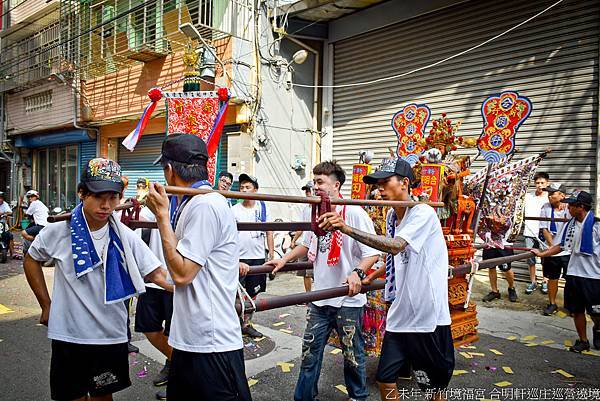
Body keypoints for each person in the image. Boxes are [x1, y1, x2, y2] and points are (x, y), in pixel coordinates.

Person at [23, 157, 170, 401]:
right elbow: (31, 259)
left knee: (103, 397)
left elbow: (156, 273)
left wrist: (190, 285)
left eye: (113, 198)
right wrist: (46, 304)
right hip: (68, 334)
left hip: (109, 336)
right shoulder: (59, 231)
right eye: (99, 197)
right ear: (82, 193)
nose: (106, 205)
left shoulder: (124, 236)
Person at [317, 157, 455, 401]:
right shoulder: (393, 216)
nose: (379, 190)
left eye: (384, 183)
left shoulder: (422, 213)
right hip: (401, 315)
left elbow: (396, 247)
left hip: (426, 316)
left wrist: (346, 228)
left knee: (431, 386)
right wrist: (371, 275)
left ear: (404, 183)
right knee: (385, 377)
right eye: (377, 185)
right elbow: (395, 260)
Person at [145, 134, 252, 401]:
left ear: (169, 170)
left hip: (212, 343)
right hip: (189, 340)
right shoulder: (195, 202)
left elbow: (183, 273)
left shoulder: (205, 204)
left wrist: (161, 216)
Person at [267, 160, 379, 401]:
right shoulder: (313, 210)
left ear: (336, 185)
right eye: (314, 181)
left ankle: (358, 397)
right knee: (309, 353)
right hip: (321, 298)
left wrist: (357, 273)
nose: (315, 187)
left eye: (321, 182)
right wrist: (283, 259)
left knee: (352, 356)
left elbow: (372, 252)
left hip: (348, 300)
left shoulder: (355, 212)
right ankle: (304, 398)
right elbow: (307, 243)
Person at [532, 190, 600, 352]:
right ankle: (583, 340)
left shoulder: (597, 226)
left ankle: (598, 329)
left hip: (594, 276)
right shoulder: (570, 225)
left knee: (596, 313)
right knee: (577, 310)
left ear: (581, 207)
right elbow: (559, 246)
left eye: (571, 205)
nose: (568, 207)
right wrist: (542, 253)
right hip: (574, 274)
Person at [135, 206, 174, 401]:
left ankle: (179, 377)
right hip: (154, 275)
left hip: (182, 280)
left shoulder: (203, 202)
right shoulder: (162, 198)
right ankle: (176, 362)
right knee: (148, 327)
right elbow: (139, 219)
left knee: (178, 334)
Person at [232, 173, 274, 338]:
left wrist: (271, 254)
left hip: (257, 257)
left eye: (248, 187)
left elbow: (270, 232)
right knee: (236, 293)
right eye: (242, 187)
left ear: (255, 190)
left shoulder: (263, 208)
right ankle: (234, 325)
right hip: (238, 259)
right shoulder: (234, 210)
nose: (244, 190)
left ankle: (246, 324)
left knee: (253, 293)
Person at [539, 183, 571, 316]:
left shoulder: (569, 208)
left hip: (568, 251)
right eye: (549, 193)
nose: (550, 196)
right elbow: (544, 228)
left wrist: (567, 203)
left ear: (562, 195)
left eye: (553, 193)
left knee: (571, 279)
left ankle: (571, 305)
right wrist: (552, 247)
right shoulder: (545, 207)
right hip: (552, 249)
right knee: (552, 278)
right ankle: (552, 303)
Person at [523, 172, 549, 294]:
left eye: (542, 183)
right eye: (537, 183)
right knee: (530, 259)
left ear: (547, 183)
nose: (539, 185)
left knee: (546, 258)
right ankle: (533, 281)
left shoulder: (550, 197)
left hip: (544, 232)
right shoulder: (528, 196)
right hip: (529, 231)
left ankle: (545, 281)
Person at [292, 181, 314, 293]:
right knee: (305, 273)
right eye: (306, 191)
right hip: (305, 244)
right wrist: (294, 240)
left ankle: (317, 297)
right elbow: (301, 226)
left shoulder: (320, 208)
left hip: (315, 245)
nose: (307, 193)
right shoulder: (305, 209)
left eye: (309, 190)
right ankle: (308, 296)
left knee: (314, 273)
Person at [0, 192, 17, 259]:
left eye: (1, 198)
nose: (0, 199)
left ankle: (12, 253)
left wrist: (3, 213)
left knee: (9, 235)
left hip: (2, 225)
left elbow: (10, 212)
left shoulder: (5, 204)